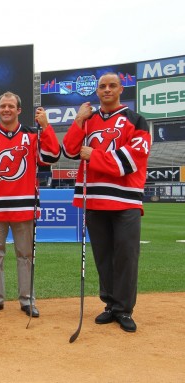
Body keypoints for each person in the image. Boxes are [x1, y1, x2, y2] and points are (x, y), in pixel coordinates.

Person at [62, 73, 150, 333]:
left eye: (112, 85)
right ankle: (110, 305)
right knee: (103, 256)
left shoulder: (136, 120)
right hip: (95, 199)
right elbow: (68, 150)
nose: (107, 89)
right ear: (97, 92)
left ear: (121, 89)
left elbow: (130, 161)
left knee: (126, 255)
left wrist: (95, 156)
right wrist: (79, 118)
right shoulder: (88, 120)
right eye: (102, 86)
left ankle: (124, 309)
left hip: (125, 200)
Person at [0, 92, 60, 318]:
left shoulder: (33, 135)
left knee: (25, 256)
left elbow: (51, 157)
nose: (6, 109)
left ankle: (28, 300)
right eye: (3, 106)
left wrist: (46, 127)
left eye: (11, 106)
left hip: (24, 206)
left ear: (19, 110)